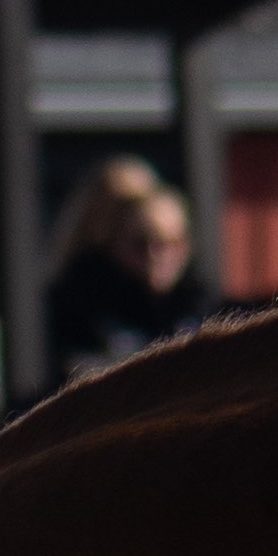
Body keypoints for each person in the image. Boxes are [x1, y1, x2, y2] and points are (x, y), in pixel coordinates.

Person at [43, 157, 217, 387]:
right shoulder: (82, 308)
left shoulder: (202, 306)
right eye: (141, 242)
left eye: (172, 242)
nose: (157, 254)